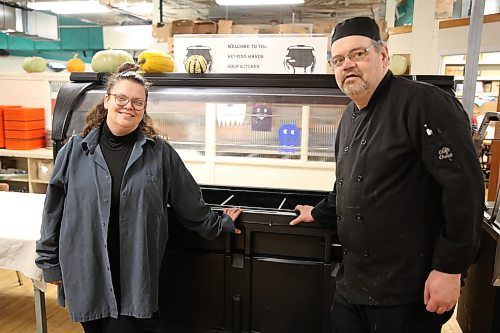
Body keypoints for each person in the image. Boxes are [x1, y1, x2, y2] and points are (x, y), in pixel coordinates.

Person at [290, 17, 484, 333]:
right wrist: (319, 212)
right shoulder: (349, 117)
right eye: (338, 60)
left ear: (383, 55)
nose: (347, 65)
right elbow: (348, 186)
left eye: (358, 54)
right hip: (354, 284)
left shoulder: (424, 102)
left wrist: (450, 269)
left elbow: (465, 189)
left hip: (408, 290)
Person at [35, 63, 242, 333]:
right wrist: (50, 263)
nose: (128, 106)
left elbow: (190, 202)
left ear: (144, 108)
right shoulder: (74, 151)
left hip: (134, 274)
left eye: (137, 102)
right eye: (121, 98)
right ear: (107, 100)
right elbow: (52, 212)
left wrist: (219, 224)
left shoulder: (160, 154)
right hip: (87, 271)